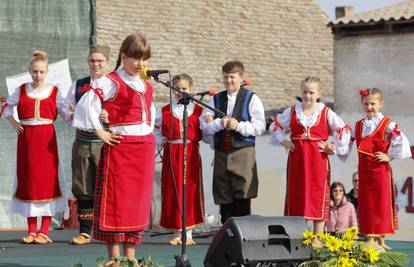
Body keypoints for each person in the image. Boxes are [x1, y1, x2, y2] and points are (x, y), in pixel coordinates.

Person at [72, 32, 155, 266]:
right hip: (121, 147)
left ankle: (131, 256)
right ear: (123, 56)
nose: (141, 64)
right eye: (136, 59)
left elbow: (150, 116)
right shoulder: (111, 81)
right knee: (117, 202)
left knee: (137, 204)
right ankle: (114, 257)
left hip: (143, 149)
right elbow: (88, 103)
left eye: (145, 60)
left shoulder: (146, 85)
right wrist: (100, 131)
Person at [269, 76, 351, 246]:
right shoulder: (292, 111)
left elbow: (343, 129)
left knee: (316, 195)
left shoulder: (326, 112)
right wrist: (283, 140)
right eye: (305, 92)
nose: (307, 96)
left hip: (317, 160)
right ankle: (298, 237)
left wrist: (332, 146)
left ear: (318, 94)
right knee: (297, 194)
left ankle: (317, 237)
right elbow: (275, 125)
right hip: (297, 159)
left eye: (311, 92)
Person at [2, 51, 70, 244]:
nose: (37, 75)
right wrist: (14, 123)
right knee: (29, 180)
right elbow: (7, 107)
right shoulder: (21, 90)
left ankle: (44, 230)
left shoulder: (55, 91)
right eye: (34, 72)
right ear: (29, 71)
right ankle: (32, 230)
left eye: (41, 72)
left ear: (46, 72)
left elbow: (64, 112)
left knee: (47, 180)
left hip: (47, 139)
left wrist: (73, 114)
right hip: (27, 140)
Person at [200, 60, 266, 224]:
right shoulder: (216, 99)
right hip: (222, 151)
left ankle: (243, 233)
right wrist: (217, 124)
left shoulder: (251, 98)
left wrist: (239, 125)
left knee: (243, 192)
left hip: (243, 151)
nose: (228, 80)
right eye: (225, 77)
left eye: (232, 77)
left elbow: (260, 127)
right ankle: (226, 231)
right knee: (223, 193)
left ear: (241, 78)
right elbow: (205, 127)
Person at [349, 88, 411, 250]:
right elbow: (347, 139)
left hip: (380, 170)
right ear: (362, 105)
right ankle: (370, 237)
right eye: (366, 104)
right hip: (365, 170)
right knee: (367, 203)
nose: (369, 107)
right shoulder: (359, 125)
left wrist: (389, 157)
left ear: (380, 104)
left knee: (382, 203)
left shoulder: (386, 124)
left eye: (373, 103)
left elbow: (400, 139)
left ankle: (381, 238)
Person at [65, 45, 110, 245]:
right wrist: (71, 114)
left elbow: (127, 113)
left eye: (100, 60)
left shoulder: (113, 85)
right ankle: (85, 231)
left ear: (107, 63)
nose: (95, 64)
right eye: (92, 60)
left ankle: (108, 229)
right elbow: (65, 111)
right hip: (83, 141)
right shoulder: (79, 85)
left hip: (105, 142)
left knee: (108, 185)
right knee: (83, 186)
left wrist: (111, 117)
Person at [154, 74, 205, 246]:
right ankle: (177, 231)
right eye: (177, 88)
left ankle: (188, 233)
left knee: (189, 191)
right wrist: (161, 142)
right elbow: (156, 131)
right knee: (173, 190)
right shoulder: (165, 110)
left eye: (184, 89)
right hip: (171, 152)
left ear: (190, 90)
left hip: (190, 152)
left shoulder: (198, 110)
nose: (180, 92)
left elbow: (206, 131)